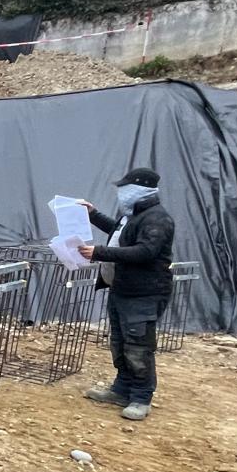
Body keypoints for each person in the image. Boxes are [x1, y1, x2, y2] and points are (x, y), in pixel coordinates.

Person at [77, 167, 175, 421]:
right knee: (120, 343)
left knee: (138, 346)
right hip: (122, 288)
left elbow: (145, 251)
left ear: (141, 190)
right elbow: (119, 234)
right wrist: (93, 215)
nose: (121, 193)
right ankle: (121, 389)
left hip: (144, 293)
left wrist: (99, 252)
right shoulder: (132, 215)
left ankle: (141, 397)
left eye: (125, 188)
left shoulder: (157, 219)